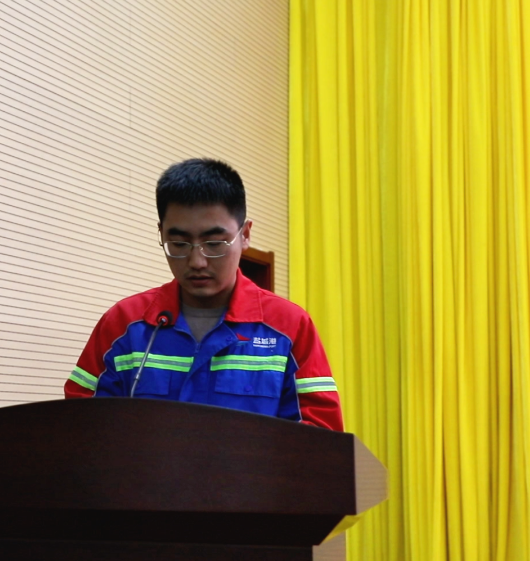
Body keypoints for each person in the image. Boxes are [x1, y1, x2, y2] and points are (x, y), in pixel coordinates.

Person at [63, 159, 343, 430]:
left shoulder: (289, 326)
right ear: (161, 233)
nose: (197, 261)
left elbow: (321, 438)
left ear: (245, 234)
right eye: (179, 243)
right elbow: (79, 425)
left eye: (214, 243)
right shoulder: (124, 324)